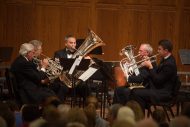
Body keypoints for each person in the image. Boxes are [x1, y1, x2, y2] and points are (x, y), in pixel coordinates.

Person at [131, 39, 177, 111]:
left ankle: (139, 117)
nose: (157, 51)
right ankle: (139, 115)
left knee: (136, 93)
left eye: (159, 49)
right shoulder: (165, 59)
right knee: (136, 90)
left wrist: (150, 66)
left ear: (166, 51)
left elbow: (158, 80)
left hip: (164, 93)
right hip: (159, 89)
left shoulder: (169, 64)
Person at [54, 35, 91, 102]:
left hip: (76, 79)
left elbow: (83, 69)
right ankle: (59, 108)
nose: (73, 44)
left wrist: (87, 61)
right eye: (71, 43)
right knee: (62, 88)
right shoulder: (58, 53)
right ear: (65, 43)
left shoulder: (80, 54)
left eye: (74, 43)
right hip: (64, 81)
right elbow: (56, 67)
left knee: (85, 87)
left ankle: (88, 107)